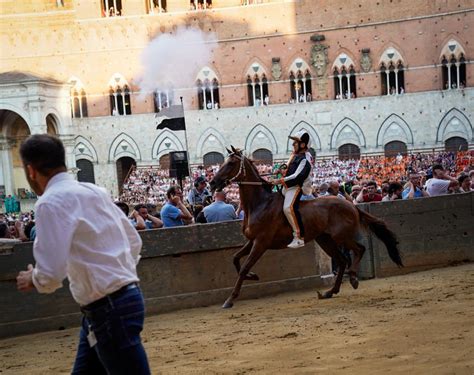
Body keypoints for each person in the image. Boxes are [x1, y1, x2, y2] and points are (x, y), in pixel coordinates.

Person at [15, 134, 150, 374]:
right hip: (118, 301)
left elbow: (51, 273)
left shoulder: (49, 203)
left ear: (31, 171)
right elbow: (133, 241)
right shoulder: (94, 191)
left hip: (106, 308)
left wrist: (33, 278)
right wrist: (118, 274)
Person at [270, 130, 312, 248]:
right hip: (287, 186)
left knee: (288, 208)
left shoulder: (305, 159)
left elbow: (297, 176)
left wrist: (279, 181)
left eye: (296, 142)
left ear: (303, 145)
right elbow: (288, 168)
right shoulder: (295, 156)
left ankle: (299, 237)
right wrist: (281, 170)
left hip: (296, 187)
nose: (293, 144)